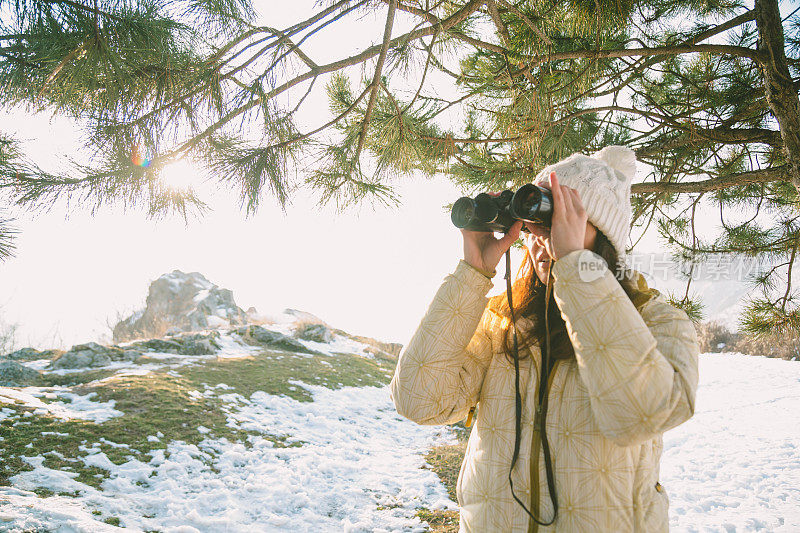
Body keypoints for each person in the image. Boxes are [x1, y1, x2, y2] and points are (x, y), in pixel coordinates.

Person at [390, 146, 700, 532]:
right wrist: (472, 273)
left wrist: (577, 268)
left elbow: (640, 414)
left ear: (603, 238)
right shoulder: (503, 321)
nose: (541, 238)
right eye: (535, 221)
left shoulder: (658, 322)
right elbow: (417, 401)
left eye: (559, 220)